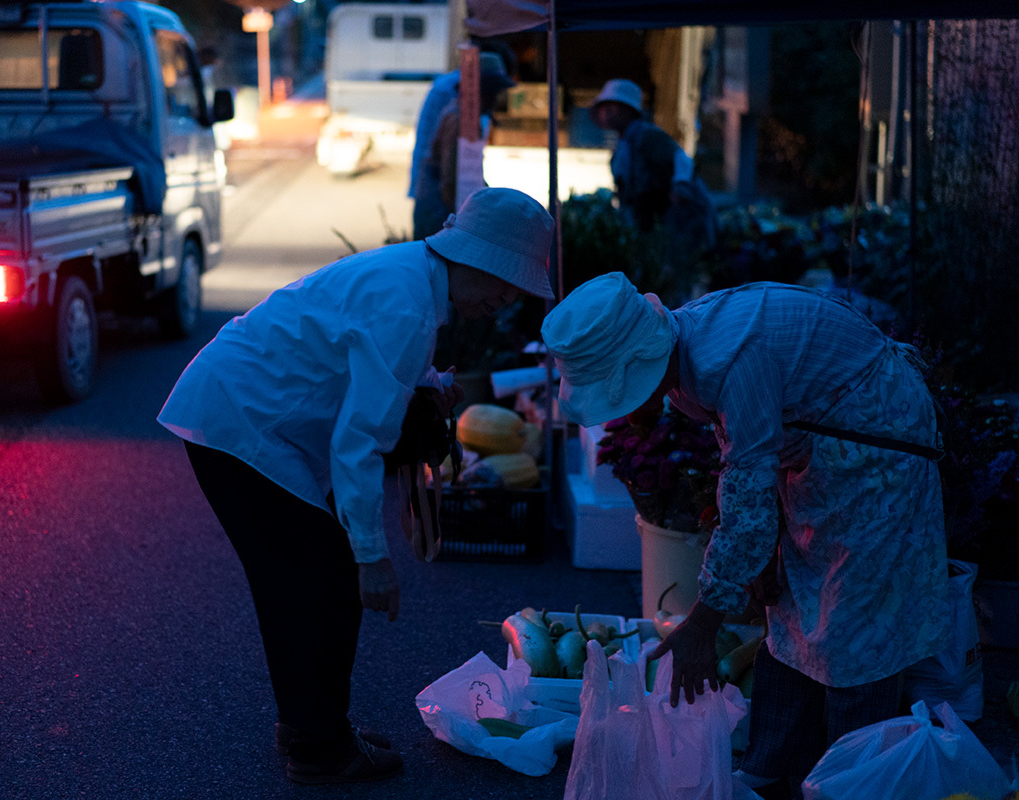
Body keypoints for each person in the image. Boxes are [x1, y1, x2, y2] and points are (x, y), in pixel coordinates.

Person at [158, 188, 555, 785]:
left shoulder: (413, 280)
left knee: (303, 579)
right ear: (480, 261)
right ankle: (320, 745)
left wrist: (427, 383)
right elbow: (357, 443)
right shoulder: (408, 304)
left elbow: (368, 363)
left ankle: (313, 728)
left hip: (240, 414)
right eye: (508, 285)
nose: (505, 302)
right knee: (323, 575)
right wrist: (372, 556)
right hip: (235, 419)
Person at [541, 274, 949, 800]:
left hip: (880, 441)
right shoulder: (685, 346)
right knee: (789, 602)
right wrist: (750, 566)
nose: (619, 411)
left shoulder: (727, 360)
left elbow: (749, 491)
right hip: (821, 446)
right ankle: (773, 765)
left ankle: (849, 782)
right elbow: (749, 472)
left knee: (855, 622)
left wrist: (704, 622)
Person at [589, 79, 717, 270]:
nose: (606, 111)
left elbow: (680, 158)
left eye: (613, 106)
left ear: (629, 110)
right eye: (603, 107)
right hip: (653, 226)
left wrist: (680, 186)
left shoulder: (647, 136)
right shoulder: (621, 150)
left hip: (677, 222)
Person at [411, 52, 516, 240]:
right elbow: (450, 180)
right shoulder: (459, 119)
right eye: (490, 93)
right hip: (438, 214)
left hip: (440, 210)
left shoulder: (466, 117)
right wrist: (467, 222)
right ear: (479, 91)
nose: (494, 100)